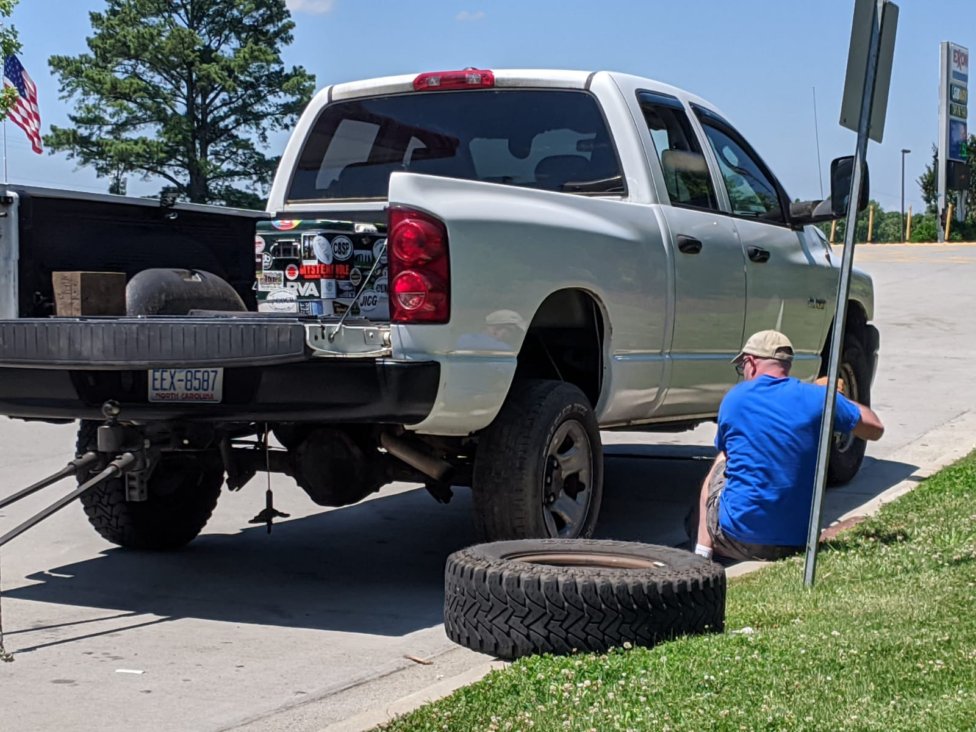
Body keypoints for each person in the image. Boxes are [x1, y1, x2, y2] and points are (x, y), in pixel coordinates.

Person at [692, 329, 884, 562]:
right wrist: (835, 399)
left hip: (737, 539)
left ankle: (702, 553)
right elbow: (875, 428)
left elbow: (729, 454)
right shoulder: (817, 399)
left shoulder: (735, 399)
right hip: (795, 541)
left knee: (722, 459)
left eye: (742, 366)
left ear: (751, 362)